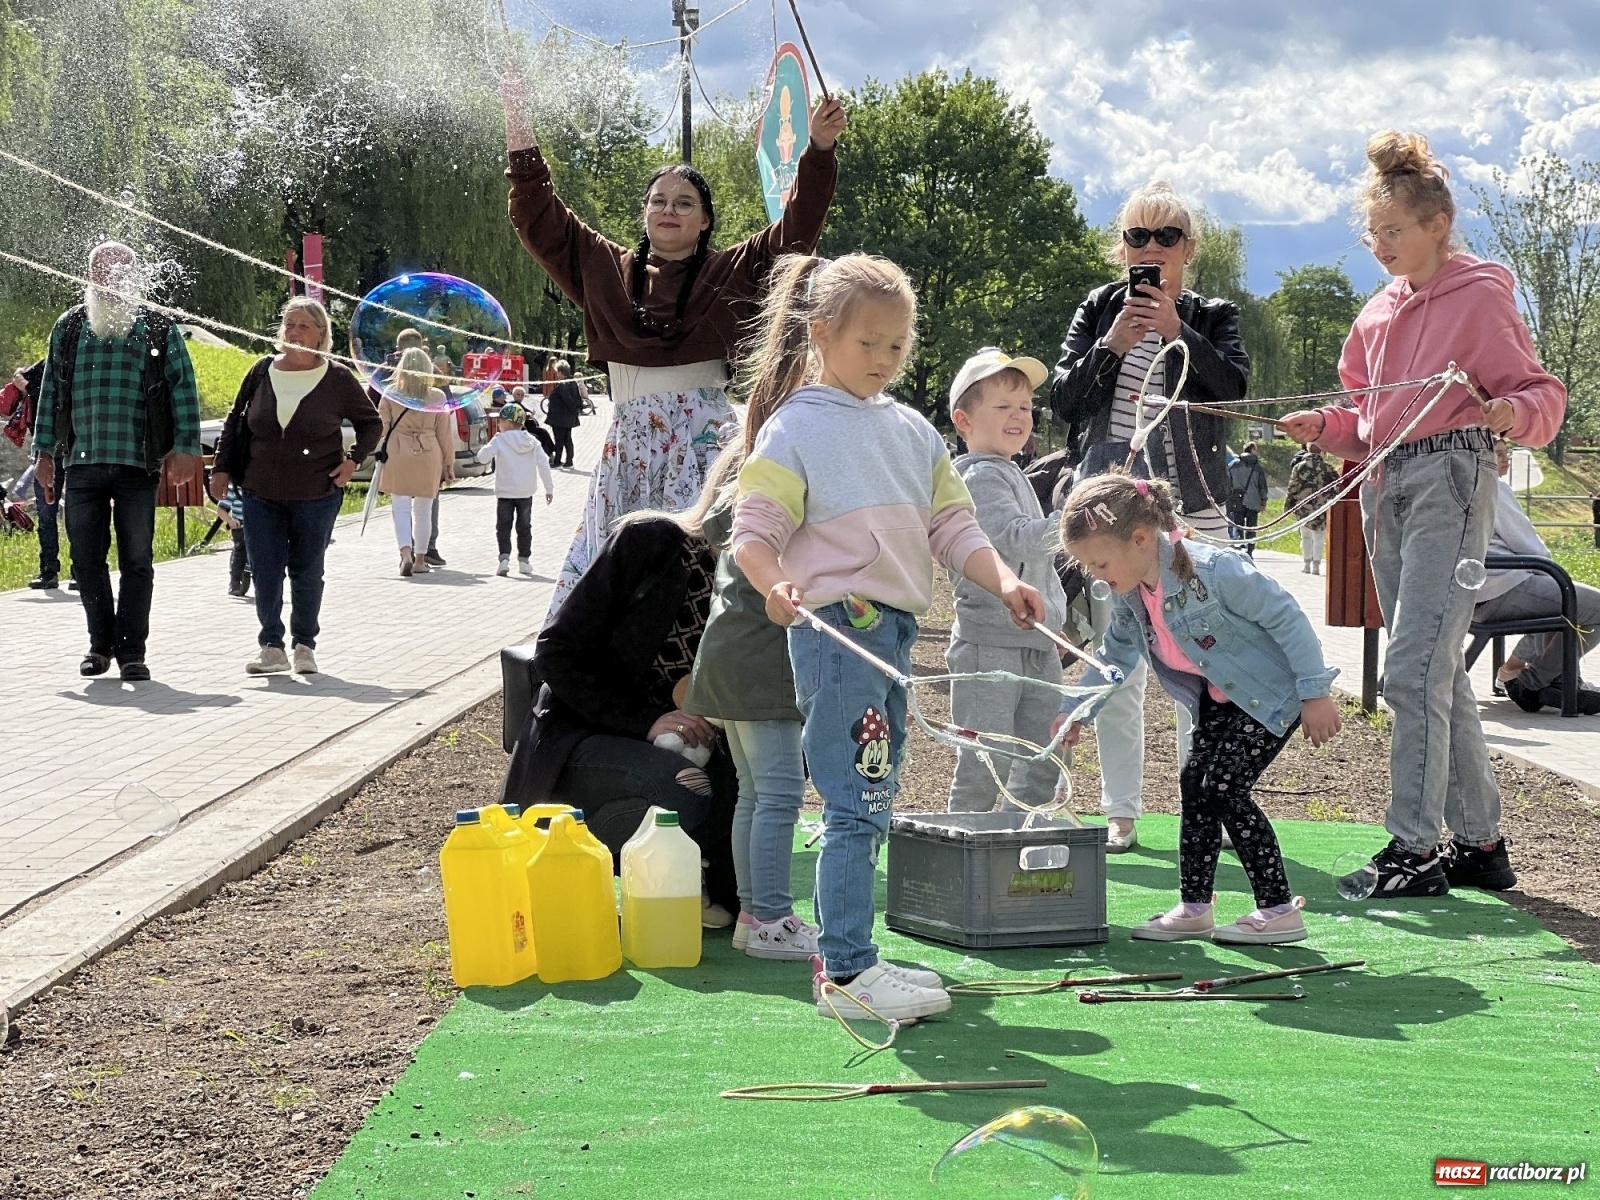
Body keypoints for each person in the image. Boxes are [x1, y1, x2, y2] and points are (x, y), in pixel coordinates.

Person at [731, 254, 1047, 1022]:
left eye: (898, 346)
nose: (884, 359)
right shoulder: (797, 425)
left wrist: (1002, 580)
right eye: (869, 343)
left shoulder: (911, 431)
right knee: (856, 801)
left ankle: (855, 957)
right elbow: (754, 530)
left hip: (893, 632)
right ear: (821, 334)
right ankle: (846, 973)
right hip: (838, 632)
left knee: (873, 792)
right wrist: (775, 581)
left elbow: (952, 524)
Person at [1281, 130, 1565, 897]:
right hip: (1384, 487)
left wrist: (1505, 413)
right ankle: (1480, 844)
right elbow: (1362, 419)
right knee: (1434, 672)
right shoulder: (1374, 315)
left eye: (1393, 231)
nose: (1380, 245)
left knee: (1411, 670)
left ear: (1437, 223)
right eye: (1372, 234)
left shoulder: (1479, 293)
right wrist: (1325, 427)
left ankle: (1415, 848)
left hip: (1452, 478)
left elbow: (1542, 396)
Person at [502, 65, 847, 616]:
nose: (669, 209)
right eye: (659, 200)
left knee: (701, 569)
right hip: (630, 440)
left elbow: (796, 229)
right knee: (616, 568)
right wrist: (517, 121)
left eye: (684, 202)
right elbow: (541, 217)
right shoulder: (604, 268)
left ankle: (703, 681)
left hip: (706, 439)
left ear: (705, 220)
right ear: (643, 214)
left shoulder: (734, 271)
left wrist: (820, 149)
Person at [1058, 473, 1342, 944]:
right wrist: (1078, 711)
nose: (1096, 574)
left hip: (1271, 696)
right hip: (1217, 700)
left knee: (1223, 786)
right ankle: (1195, 907)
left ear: (1141, 538)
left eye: (1100, 561)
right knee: (1196, 786)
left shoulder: (1215, 570)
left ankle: (1277, 910)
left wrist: (1315, 692)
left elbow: (1286, 616)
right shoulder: (1133, 596)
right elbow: (1113, 657)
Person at [1049, 182, 1250, 852]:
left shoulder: (1213, 314)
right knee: (1119, 662)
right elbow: (1064, 401)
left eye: (1167, 237)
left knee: (1208, 665)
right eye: (1139, 237)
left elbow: (1234, 391)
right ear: (1122, 248)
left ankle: (1209, 805)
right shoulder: (1099, 309)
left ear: (1189, 248)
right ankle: (1122, 812)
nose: (1152, 249)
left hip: (1196, 509)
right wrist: (1111, 345)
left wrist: (1177, 332)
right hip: (1112, 512)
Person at [497, 458, 742, 921]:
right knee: (686, 789)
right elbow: (555, 651)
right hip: (582, 738)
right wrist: (645, 722)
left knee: (755, 781)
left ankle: (692, 878)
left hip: (680, 747)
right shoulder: (649, 541)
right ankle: (586, 868)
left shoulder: (759, 587)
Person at [32, 242, 203, 681]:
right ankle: (98, 646)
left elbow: (183, 388)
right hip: (83, 465)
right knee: (85, 560)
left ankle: (132, 653)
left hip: (137, 464)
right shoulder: (69, 327)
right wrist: (45, 453)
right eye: (99, 271)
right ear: (89, 276)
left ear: (133, 275)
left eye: (118, 270)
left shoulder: (157, 326)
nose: (108, 279)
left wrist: (186, 448)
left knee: (137, 560)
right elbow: (51, 391)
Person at [210, 298, 380, 673]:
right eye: (289, 324)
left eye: (304, 325)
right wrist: (220, 468)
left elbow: (372, 423)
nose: (294, 331)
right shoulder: (260, 371)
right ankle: (271, 645)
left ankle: (304, 645)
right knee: (265, 568)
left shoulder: (337, 378)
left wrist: (352, 461)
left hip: (316, 492)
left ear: (321, 334)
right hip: (259, 491)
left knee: (306, 570)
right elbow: (234, 422)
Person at [943, 347, 1067, 813]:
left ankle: (1014, 852)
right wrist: (1074, 519)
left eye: (1025, 408)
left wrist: (1055, 620)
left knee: (1044, 758)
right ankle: (966, 856)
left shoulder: (1011, 473)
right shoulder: (978, 477)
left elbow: (1040, 565)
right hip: (987, 645)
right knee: (984, 762)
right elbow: (1016, 541)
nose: (1018, 417)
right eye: (1003, 407)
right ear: (964, 420)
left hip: (1036, 641)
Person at [1474, 438, 1600, 715]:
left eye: (1506, 453)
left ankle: (1562, 683)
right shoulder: (1493, 487)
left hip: (1473, 593)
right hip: (1502, 589)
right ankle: (1531, 683)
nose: (1505, 459)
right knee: (1592, 606)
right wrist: (1550, 571)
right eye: (1497, 454)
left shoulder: (1461, 488)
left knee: (1563, 602)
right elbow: (1530, 546)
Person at [377, 346, 454, 577]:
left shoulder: (391, 392)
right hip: (429, 453)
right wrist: (449, 464)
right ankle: (421, 560)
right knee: (424, 509)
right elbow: (444, 433)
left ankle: (405, 554)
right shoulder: (437, 396)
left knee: (400, 509)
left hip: (398, 451)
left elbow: (382, 428)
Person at [476, 399, 554, 577]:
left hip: (505, 492)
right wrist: (549, 489)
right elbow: (544, 465)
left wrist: (491, 443)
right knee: (524, 526)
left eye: (500, 421)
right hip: (526, 492)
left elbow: (482, 458)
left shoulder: (499, 440)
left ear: (507, 423)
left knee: (503, 526)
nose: (497, 424)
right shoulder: (532, 442)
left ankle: (504, 559)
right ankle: (524, 561)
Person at [10, 359, 69, 591]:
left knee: (53, 516)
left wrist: (24, 386)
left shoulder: (50, 367)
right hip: (65, 451)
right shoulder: (72, 363)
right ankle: (65, 573)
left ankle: (53, 572)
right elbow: (22, 377)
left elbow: (35, 389)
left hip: (58, 451)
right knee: (62, 515)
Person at [1284, 444, 1338, 574]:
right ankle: (1316, 566)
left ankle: (1306, 564)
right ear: (1322, 451)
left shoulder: (1298, 467)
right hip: (1322, 507)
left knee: (1306, 536)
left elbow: (1292, 487)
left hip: (1303, 507)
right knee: (1319, 536)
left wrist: (1288, 506)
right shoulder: (1328, 468)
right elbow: (1338, 486)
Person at [1226, 440, 1269, 557]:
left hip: (1237, 500)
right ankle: (1250, 551)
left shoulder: (1233, 465)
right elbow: (1262, 487)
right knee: (1251, 527)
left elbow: (1227, 483)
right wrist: (1263, 501)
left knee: (1238, 525)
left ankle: (1240, 547)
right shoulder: (1257, 468)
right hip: (1253, 502)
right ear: (1252, 450)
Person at [543, 359, 584, 469]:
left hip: (560, 418)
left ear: (561, 372)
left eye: (557, 372)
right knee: (568, 439)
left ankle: (557, 461)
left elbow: (568, 400)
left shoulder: (563, 386)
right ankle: (569, 460)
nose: (556, 375)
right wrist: (576, 412)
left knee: (559, 440)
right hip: (568, 418)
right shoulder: (573, 383)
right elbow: (578, 400)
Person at [219, 482, 250, 598]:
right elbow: (221, 510)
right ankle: (235, 583)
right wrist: (230, 520)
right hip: (239, 525)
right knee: (240, 550)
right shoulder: (233, 489)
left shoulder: (259, 487)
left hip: (256, 525)